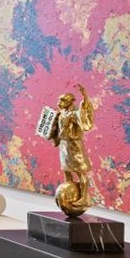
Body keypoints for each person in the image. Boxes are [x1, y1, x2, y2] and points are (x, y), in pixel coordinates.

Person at [48, 84, 95, 216]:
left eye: (63, 100)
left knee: (80, 172)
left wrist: (85, 97)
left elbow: (84, 115)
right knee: (67, 170)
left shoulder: (74, 114)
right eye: (59, 100)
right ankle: (69, 193)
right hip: (64, 145)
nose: (59, 103)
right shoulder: (61, 114)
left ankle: (84, 197)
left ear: (70, 102)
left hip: (74, 145)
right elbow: (57, 130)